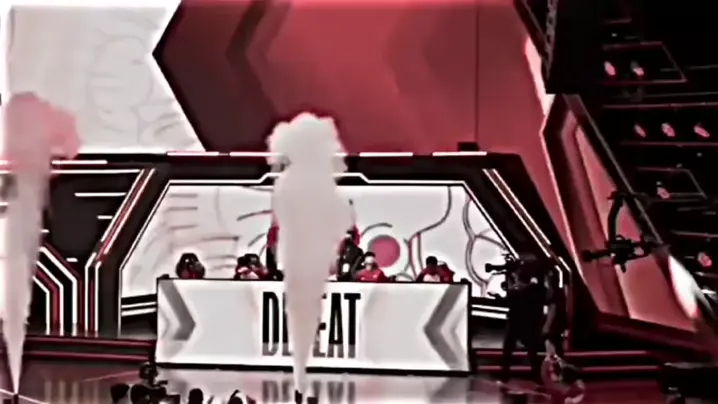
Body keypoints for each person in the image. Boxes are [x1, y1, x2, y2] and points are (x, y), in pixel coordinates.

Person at [499, 266, 545, 386]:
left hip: (515, 323)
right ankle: (537, 377)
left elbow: (509, 302)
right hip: (529, 324)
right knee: (532, 351)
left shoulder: (515, 291)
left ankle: (504, 376)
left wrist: (511, 287)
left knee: (508, 350)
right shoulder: (536, 290)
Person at [544, 270, 567, 358]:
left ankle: (554, 360)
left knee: (552, 342)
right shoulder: (561, 292)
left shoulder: (553, 294)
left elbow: (553, 309)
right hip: (559, 321)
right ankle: (558, 360)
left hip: (555, 323)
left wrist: (547, 325)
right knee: (557, 344)